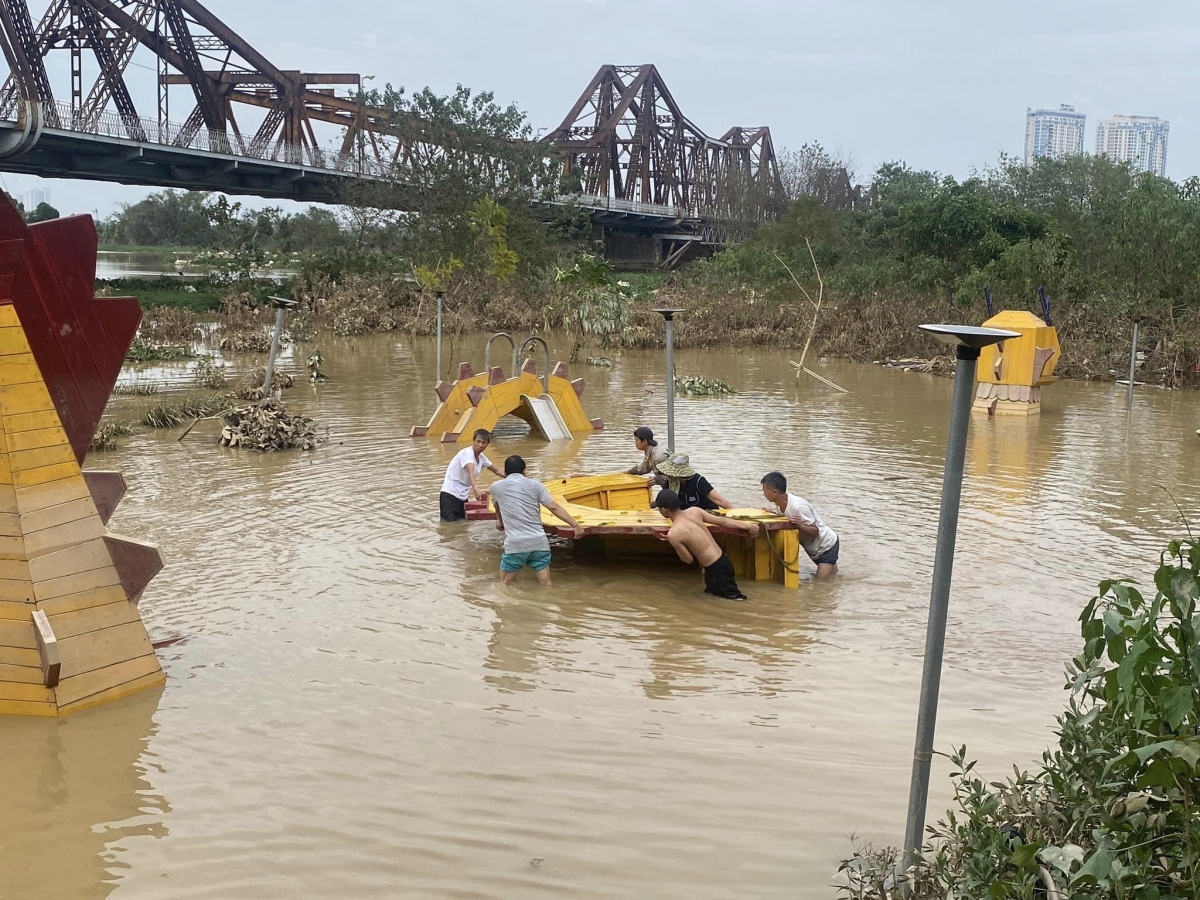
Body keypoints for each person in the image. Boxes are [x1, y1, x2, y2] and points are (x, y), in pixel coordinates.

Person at [490, 455, 585, 585]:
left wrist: (500, 521)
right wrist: (575, 525)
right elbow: (553, 507)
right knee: (546, 584)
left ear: (505, 472)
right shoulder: (536, 485)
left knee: (505, 584)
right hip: (539, 542)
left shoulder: (496, 487)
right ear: (524, 471)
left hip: (516, 545)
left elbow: (498, 507)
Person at [652, 488, 759, 599]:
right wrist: (749, 526)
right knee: (712, 597)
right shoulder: (695, 511)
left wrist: (675, 544)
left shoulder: (674, 534)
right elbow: (723, 521)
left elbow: (688, 560)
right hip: (723, 560)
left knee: (736, 600)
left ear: (664, 510)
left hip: (715, 569)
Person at [760, 471, 840, 581]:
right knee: (834, 579)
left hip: (826, 546)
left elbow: (815, 531)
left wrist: (798, 525)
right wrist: (772, 513)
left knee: (820, 584)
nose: (763, 494)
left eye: (765, 491)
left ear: (774, 492)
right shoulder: (780, 503)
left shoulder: (799, 507)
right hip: (815, 549)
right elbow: (786, 516)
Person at [439, 429, 503, 521]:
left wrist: (516, 475)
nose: (480, 445)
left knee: (463, 525)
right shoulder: (466, 453)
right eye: (478, 441)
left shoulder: (482, 458)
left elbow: (497, 471)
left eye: (483, 442)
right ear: (473, 441)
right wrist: (475, 489)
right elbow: (470, 470)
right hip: (449, 494)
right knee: (450, 526)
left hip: (463, 496)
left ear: (487, 444)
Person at [654, 452, 733, 511]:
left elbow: (719, 500)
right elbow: (664, 504)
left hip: (707, 516)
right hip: (685, 518)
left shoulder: (698, 481)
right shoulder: (669, 483)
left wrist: (736, 513)